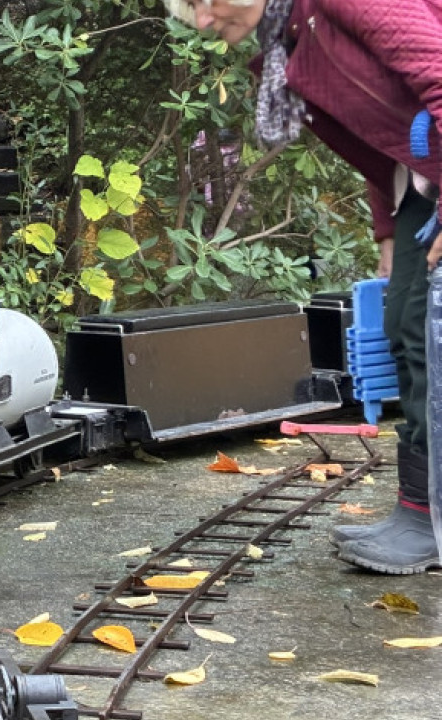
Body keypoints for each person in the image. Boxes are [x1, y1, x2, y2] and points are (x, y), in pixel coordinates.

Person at [167, 0, 442, 573]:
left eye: (200, 1)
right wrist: (389, 231)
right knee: (407, 327)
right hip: (422, 181)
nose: (200, 22)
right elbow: (382, 138)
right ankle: (422, 510)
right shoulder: (288, 42)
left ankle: (427, 519)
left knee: (428, 335)